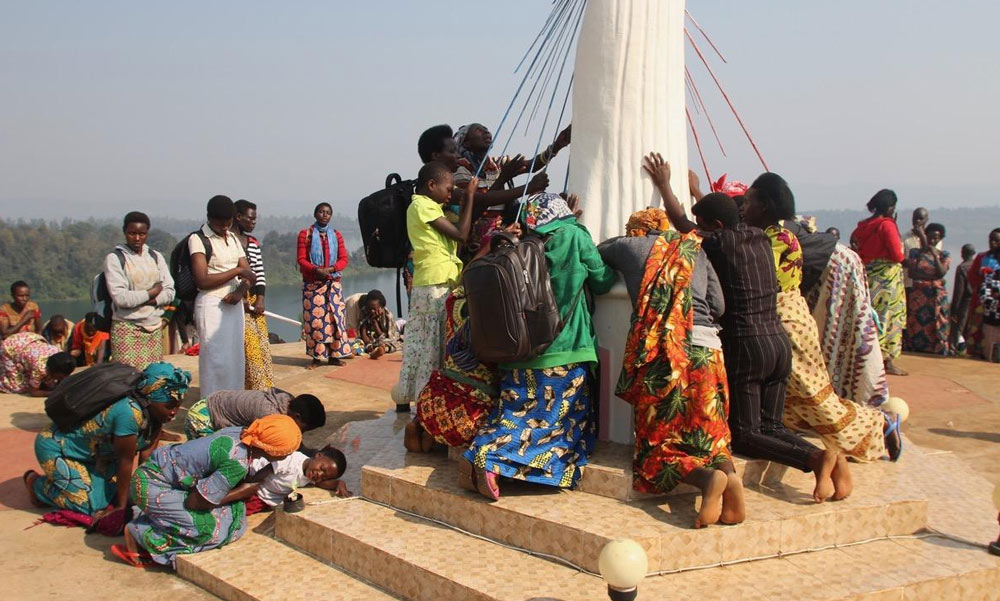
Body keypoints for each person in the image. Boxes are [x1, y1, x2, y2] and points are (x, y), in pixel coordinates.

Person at [645, 153, 849, 503]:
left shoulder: (721, 242)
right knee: (771, 426)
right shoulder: (760, 239)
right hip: (777, 344)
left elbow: (682, 224)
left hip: (749, 345)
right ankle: (830, 457)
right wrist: (698, 193)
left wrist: (664, 185)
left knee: (744, 433)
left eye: (749, 203)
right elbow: (720, 217)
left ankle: (815, 458)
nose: (744, 208)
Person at [461, 192, 616, 501]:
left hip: (518, 352)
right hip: (566, 350)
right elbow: (603, 281)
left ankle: (484, 455)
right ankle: (490, 460)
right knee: (560, 423)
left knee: (514, 416)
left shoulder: (519, 243)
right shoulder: (573, 235)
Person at [601, 208, 745, 528]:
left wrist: (630, 241)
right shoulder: (694, 248)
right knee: (712, 438)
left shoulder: (628, 246)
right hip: (708, 352)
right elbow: (718, 305)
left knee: (656, 450)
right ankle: (729, 476)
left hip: (664, 355)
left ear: (636, 231)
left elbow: (601, 250)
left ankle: (707, 481)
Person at [742, 173, 900, 464]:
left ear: (764, 206)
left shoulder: (776, 240)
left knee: (816, 400)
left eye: (748, 202)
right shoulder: (765, 235)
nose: (743, 208)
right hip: (782, 324)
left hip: (790, 327)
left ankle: (879, 424)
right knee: (789, 404)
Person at [117, 414, 301, 568]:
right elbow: (195, 502)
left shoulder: (243, 433)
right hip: (152, 486)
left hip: (165, 474)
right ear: (273, 451)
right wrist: (244, 491)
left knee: (235, 517)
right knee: (212, 532)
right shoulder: (238, 462)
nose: (289, 454)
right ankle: (140, 533)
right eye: (287, 451)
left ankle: (158, 516)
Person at [24, 363, 189, 519]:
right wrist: (120, 509)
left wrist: (145, 501)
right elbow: (126, 462)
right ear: (151, 399)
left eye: (178, 406)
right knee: (90, 506)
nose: (174, 412)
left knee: (113, 494)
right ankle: (37, 485)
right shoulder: (128, 413)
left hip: (97, 457)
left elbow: (145, 465)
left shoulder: (157, 417)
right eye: (169, 406)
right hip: (57, 447)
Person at [391, 162, 477, 412]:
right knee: (430, 345)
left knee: (421, 342)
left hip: (435, 281)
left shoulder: (430, 206)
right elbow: (462, 234)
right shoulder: (421, 205)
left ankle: (410, 395)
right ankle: (424, 401)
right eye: (448, 189)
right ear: (431, 185)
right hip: (433, 284)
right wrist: (470, 197)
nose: (450, 195)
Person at [784, 217, 888, 407]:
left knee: (835, 337)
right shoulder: (770, 221)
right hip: (834, 265)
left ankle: (842, 405)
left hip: (833, 270)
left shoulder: (764, 225)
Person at [406, 284, 500, 452]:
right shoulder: (494, 308)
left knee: (452, 379)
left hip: (430, 403)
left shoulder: (453, 300)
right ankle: (437, 437)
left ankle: (422, 428)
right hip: (468, 417)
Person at [190, 196, 255, 397]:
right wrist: (235, 272)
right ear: (209, 218)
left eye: (228, 224)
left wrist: (239, 292)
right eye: (220, 224)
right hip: (211, 304)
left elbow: (249, 273)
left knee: (235, 358)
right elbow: (202, 279)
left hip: (233, 304)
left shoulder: (233, 238)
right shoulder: (199, 239)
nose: (224, 228)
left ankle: (233, 404)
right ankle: (212, 406)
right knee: (215, 360)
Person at [105, 211, 175, 369]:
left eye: (142, 234)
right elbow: (121, 298)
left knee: (152, 379)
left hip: (154, 328)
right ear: (125, 232)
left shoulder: (155, 256)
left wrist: (152, 299)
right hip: (126, 328)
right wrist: (152, 292)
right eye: (132, 233)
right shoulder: (115, 259)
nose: (137, 238)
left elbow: (170, 291)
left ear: (147, 234)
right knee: (126, 379)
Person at [850, 190, 908, 376]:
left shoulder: (861, 227)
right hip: (887, 281)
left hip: (868, 276)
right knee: (888, 318)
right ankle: (886, 361)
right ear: (891, 208)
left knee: (870, 316)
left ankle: (867, 357)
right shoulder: (887, 226)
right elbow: (897, 255)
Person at [297, 202, 352, 369]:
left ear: (331, 216)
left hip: (333, 285)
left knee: (335, 320)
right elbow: (301, 260)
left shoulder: (336, 235)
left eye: (328, 212)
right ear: (315, 214)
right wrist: (316, 270)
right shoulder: (305, 235)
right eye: (321, 212)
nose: (324, 215)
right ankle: (316, 358)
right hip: (313, 286)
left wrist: (331, 269)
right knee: (315, 322)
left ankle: (334, 356)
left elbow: (344, 259)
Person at [234, 200, 274, 389]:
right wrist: (239, 296)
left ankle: (266, 386)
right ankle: (256, 389)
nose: (253, 222)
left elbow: (259, 271)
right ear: (238, 216)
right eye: (250, 218)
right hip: (235, 300)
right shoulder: (227, 242)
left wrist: (260, 298)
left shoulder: (252, 242)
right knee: (250, 349)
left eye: (255, 219)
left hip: (252, 300)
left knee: (262, 346)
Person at [184, 388, 326, 440]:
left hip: (211, 404)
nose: (301, 434)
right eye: (304, 429)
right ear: (297, 417)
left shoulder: (287, 401)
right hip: (201, 418)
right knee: (213, 457)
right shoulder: (269, 414)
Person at [244, 445, 351, 514]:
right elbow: (264, 472)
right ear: (318, 455)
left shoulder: (311, 476)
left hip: (263, 499)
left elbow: (322, 483)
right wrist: (247, 486)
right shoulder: (292, 460)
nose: (319, 475)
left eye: (324, 477)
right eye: (322, 469)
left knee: (241, 512)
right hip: (253, 486)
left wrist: (338, 483)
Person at [903, 223, 951, 355]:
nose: (933, 240)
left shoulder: (944, 255)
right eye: (930, 237)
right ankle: (915, 347)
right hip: (918, 296)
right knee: (916, 322)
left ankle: (936, 349)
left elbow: (941, 272)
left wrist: (935, 256)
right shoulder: (915, 253)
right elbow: (912, 273)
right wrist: (932, 276)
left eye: (936, 238)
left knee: (936, 322)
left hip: (936, 296)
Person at [0, 332, 74, 396]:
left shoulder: (60, 355)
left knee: (47, 383)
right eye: (61, 377)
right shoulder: (40, 368)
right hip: (11, 346)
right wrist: (53, 393)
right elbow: (33, 392)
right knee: (19, 387)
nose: (64, 378)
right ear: (52, 370)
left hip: (30, 339)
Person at [966, 228, 1000, 361]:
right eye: (991, 239)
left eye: (997, 240)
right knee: (977, 326)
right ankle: (977, 351)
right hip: (981, 299)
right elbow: (972, 276)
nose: (993, 243)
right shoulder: (981, 257)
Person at [901, 207, 939, 290]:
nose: (917, 221)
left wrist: (922, 236)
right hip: (908, 283)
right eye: (915, 218)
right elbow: (901, 259)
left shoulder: (935, 239)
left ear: (926, 220)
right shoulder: (904, 238)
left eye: (921, 219)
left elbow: (931, 259)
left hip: (928, 285)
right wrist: (914, 264)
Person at [358, 290, 402, 359]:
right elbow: (362, 332)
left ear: (381, 307)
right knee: (357, 343)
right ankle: (361, 351)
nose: (372, 311)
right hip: (369, 342)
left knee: (391, 344)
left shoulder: (388, 316)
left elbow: (389, 337)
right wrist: (368, 344)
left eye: (374, 309)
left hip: (384, 341)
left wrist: (375, 323)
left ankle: (380, 351)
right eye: (369, 308)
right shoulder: (365, 311)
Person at [950, 243, 977, 353]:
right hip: (977, 301)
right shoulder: (978, 265)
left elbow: (959, 290)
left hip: (965, 301)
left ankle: (955, 349)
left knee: (958, 327)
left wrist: (954, 309)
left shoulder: (962, 267)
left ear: (962, 254)